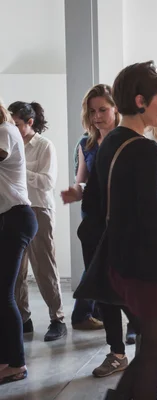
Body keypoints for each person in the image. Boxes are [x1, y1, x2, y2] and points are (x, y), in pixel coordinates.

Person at [85, 61, 157, 399]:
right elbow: (151, 218)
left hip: (122, 260)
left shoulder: (112, 141)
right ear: (139, 101)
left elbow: (103, 204)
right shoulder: (145, 149)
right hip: (149, 265)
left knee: (149, 347)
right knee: (153, 351)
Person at [61, 84, 140, 377]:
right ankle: (116, 352)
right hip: (94, 225)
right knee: (104, 291)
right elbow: (83, 181)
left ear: (115, 108)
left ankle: (146, 336)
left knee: (130, 285)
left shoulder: (130, 141)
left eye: (102, 110)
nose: (97, 116)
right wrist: (75, 190)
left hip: (125, 226)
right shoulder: (87, 144)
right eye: (92, 111)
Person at [8, 101, 66, 342]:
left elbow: (47, 182)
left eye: (17, 124)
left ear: (29, 123)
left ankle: (58, 319)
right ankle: (24, 319)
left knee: (44, 267)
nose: (12, 128)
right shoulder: (9, 143)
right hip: (14, 210)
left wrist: (19, 169)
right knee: (18, 271)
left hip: (39, 209)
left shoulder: (44, 146)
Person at [0, 101, 37, 384]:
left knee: (5, 294)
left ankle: (17, 364)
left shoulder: (6, 130)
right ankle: (6, 359)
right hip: (7, 218)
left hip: (17, 217)